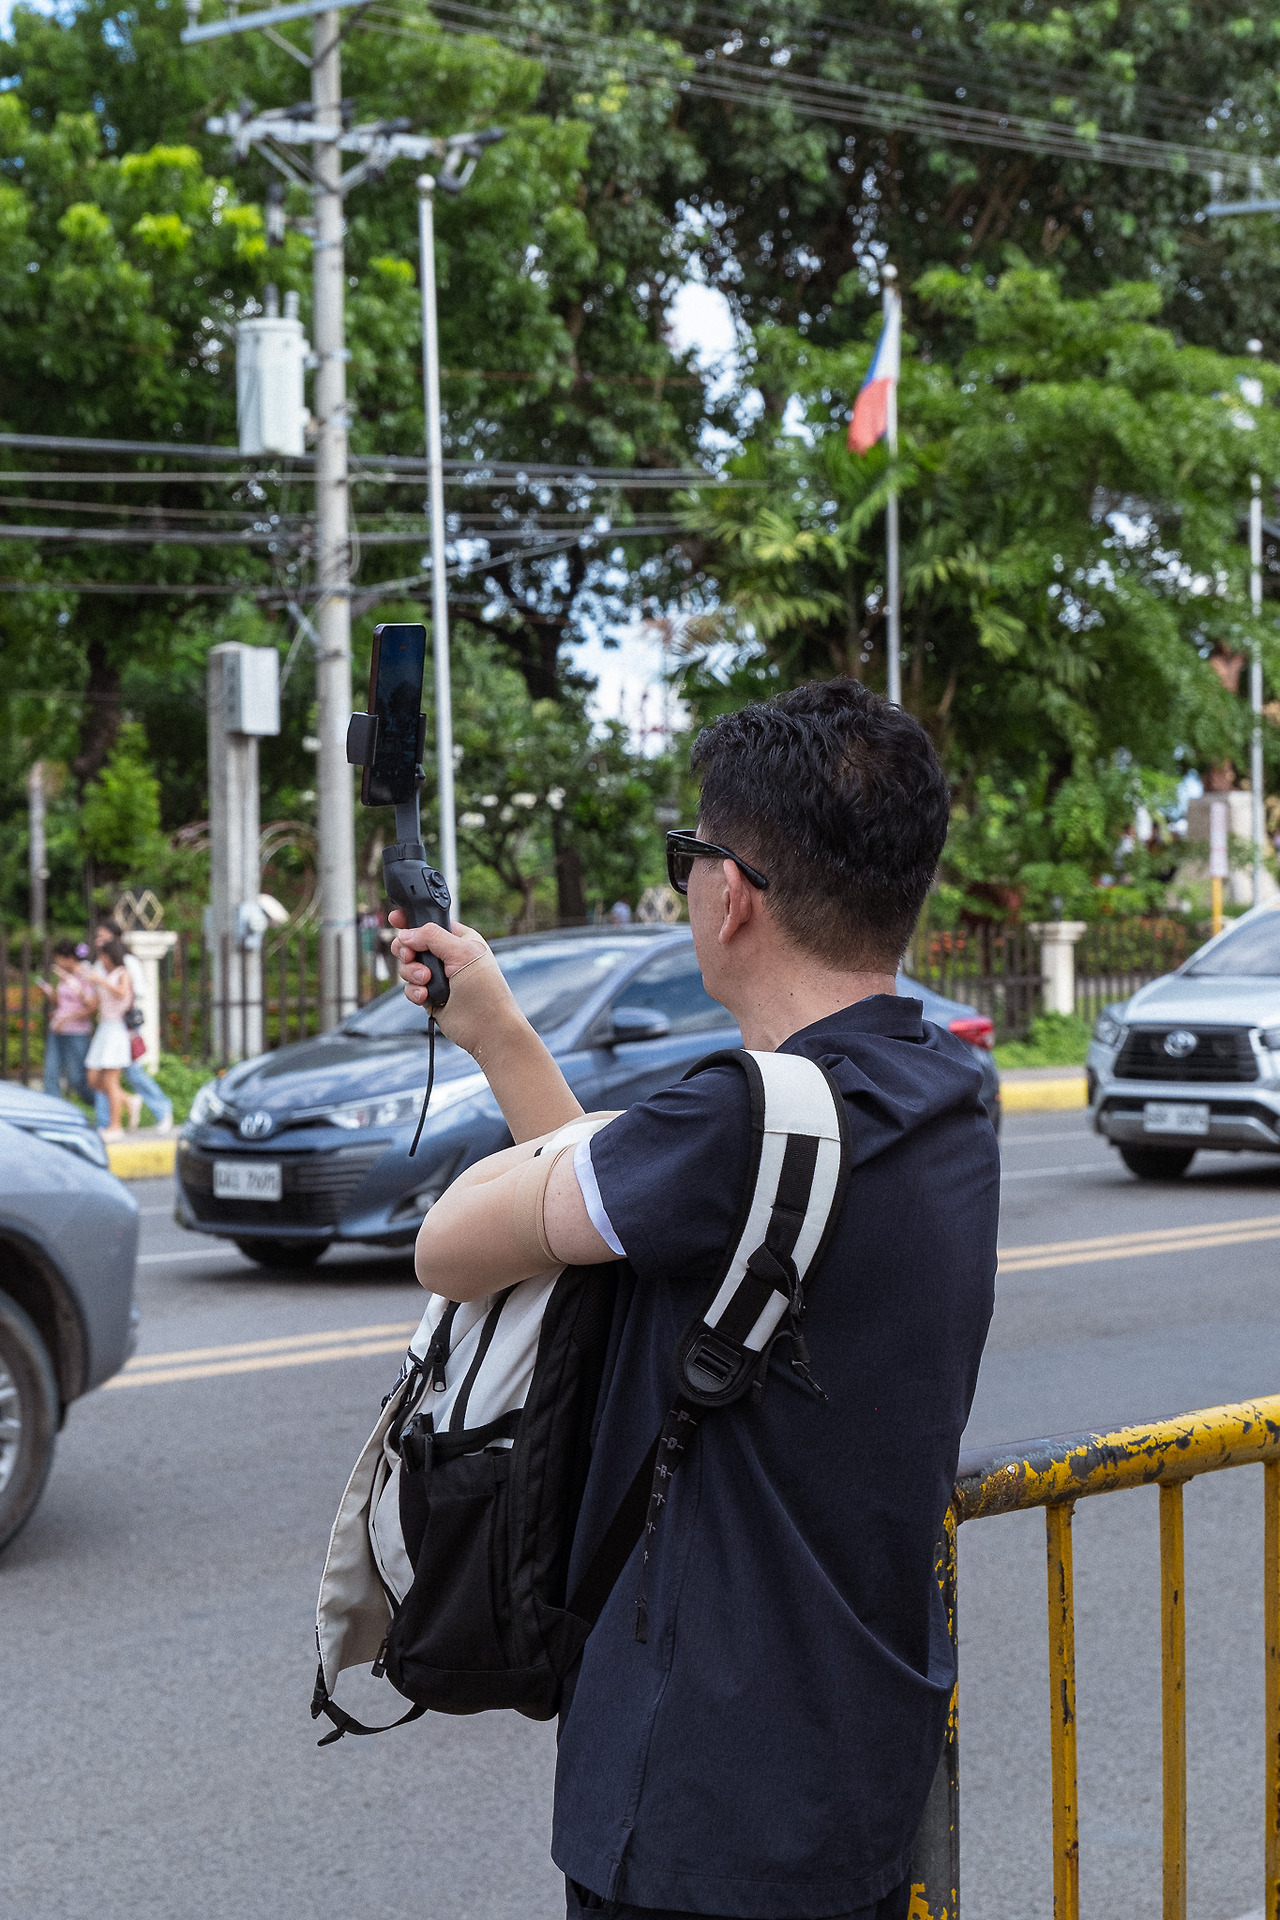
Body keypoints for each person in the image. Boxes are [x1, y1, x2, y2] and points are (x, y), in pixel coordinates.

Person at [391, 678, 999, 1920]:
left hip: (689, 1801)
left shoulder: (728, 1125)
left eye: (689, 857)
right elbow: (633, 1221)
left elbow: (446, 1249)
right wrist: (498, 1030)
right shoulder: (944, 1099)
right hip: (851, 1765)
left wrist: (552, 1148)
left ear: (730, 895)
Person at [90, 924, 173, 1132]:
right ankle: (105, 1122)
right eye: (98, 936)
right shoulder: (100, 962)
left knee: (133, 1073)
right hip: (107, 1025)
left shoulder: (127, 963)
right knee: (103, 1076)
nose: (99, 940)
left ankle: (162, 1110)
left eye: (103, 936)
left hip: (123, 1026)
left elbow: (137, 993)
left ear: (115, 938)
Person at [85, 933, 134, 1138]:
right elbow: (94, 1004)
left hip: (116, 1029)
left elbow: (122, 993)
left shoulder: (122, 973)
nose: (101, 960)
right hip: (104, 1028)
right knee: (93, 1078)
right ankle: (127, 1100)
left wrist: (101, 981)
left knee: (111, 1081)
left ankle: (116, 1126)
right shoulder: (104, 976)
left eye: (103, 956)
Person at [36, 940, 95, 1104]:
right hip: (57, 1029)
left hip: (77, 1032)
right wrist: (50, 994)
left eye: (60, 959)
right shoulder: (63, 976)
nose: (57, 963)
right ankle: (52, 1111)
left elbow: (91, 1007)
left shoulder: (85, 975)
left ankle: (100, 1104)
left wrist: (68, 1018)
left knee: (77, 1077)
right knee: (51, 1072)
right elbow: (63, 1002)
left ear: (70, 958)